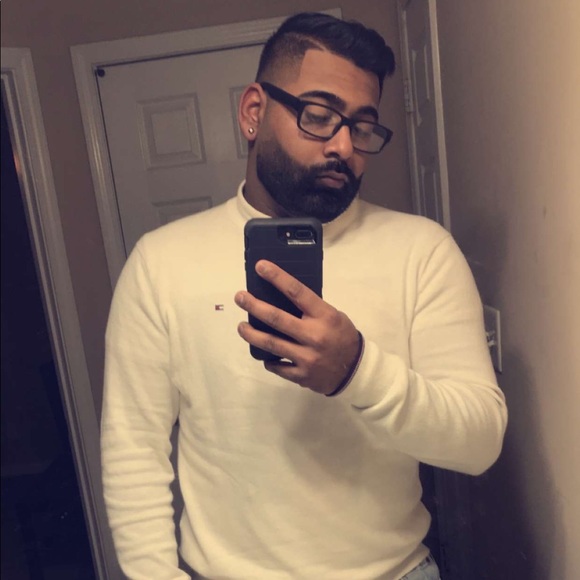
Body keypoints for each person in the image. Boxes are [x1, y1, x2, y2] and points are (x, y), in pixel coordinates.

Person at [101, 12, 508, 580]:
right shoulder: (160, 263)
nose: (343, 146)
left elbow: (479, 443)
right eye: (318, 117)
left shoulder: (422, 251)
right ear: (254, 111)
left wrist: (359, 372)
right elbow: (134, 451)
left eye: (362, 127)